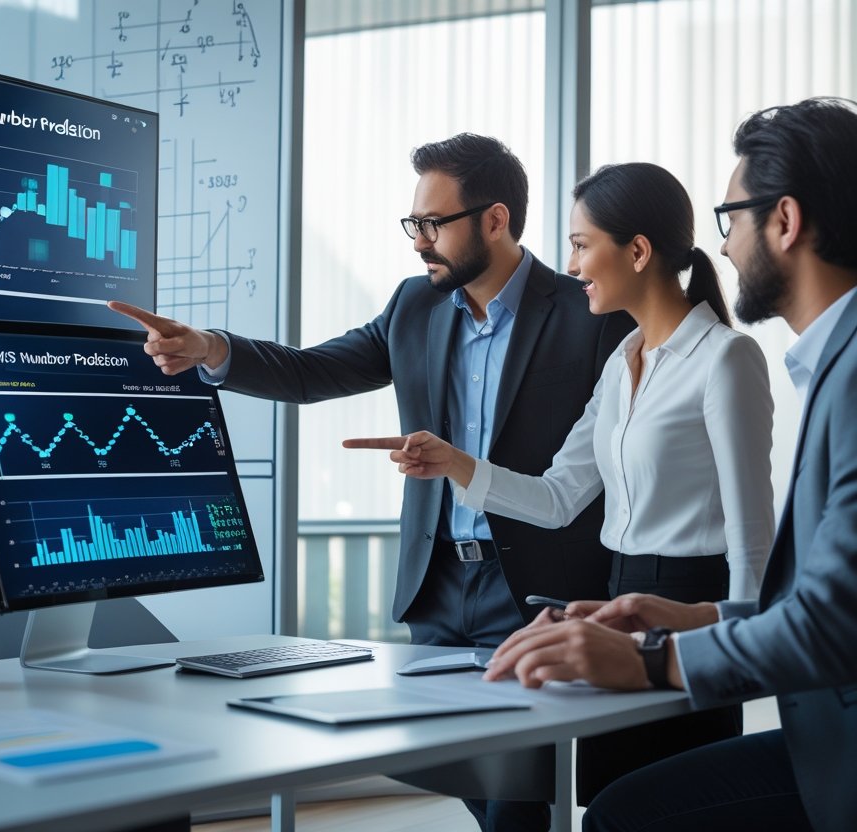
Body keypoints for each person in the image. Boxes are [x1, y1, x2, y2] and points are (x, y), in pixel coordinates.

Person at [111, 133, 632, 832]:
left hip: (538, 586)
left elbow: (616, 461)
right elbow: (312, 369)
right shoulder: (413, 307)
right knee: (466, 771)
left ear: (496, 219)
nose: (419, 242)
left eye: (432, 224)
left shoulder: (586, 311)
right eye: (412, 224)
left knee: (520, 788)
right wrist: (212, 349)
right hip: (440, 586)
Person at [478, 97, 857, 832]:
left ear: (784, 221)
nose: (724, 245)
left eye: (732, 218)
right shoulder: (825, 363)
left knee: (623, 812)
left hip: (834, 744)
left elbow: (818, 608)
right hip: (694, 621)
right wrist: (689, 619)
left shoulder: (799, 366)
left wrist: (656, 657)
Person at [344, 161, 775, 803]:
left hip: (692, 612)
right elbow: (556, 499)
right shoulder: (621, 363)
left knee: (675, 807)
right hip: (618, 601)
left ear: (636, 251)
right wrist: (452, 462)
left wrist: (734, 655)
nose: (571, 267)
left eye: (580, 245)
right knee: (606, 803)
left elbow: (751, 543)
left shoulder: (725, 359)